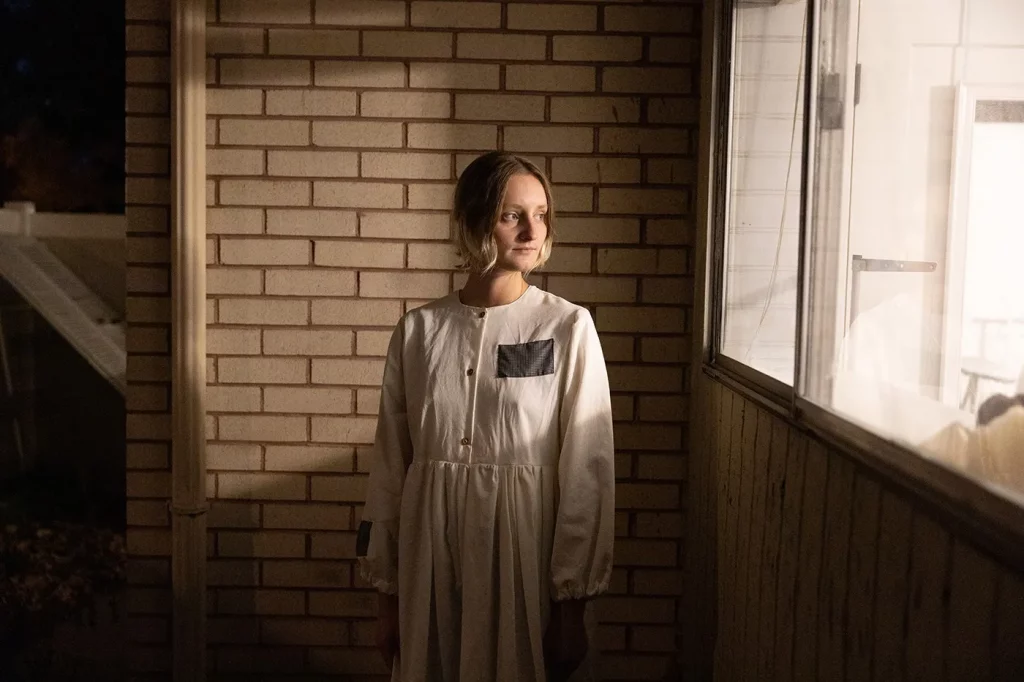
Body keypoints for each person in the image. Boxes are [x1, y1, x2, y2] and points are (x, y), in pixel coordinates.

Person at [356, 151, 615, 682]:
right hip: (430, 552)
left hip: (523, 550)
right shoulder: (419, 331)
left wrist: (571, 603)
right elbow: (389, 468)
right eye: (512, 215)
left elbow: (587, 471)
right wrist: (386, 597)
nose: (532, 231)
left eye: (541, 214)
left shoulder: (567, 327)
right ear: (474, 220)